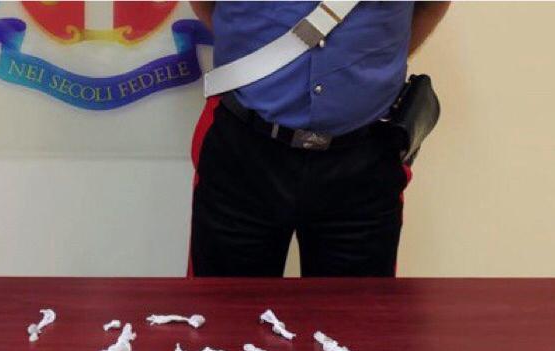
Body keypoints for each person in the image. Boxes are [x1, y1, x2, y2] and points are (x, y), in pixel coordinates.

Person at [188, 1, 449, 277]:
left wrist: (368, 69)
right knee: (227, 303)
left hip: (363, 164)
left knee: (358, 305)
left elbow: (432, 5)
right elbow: (205, 4)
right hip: (242, 155)